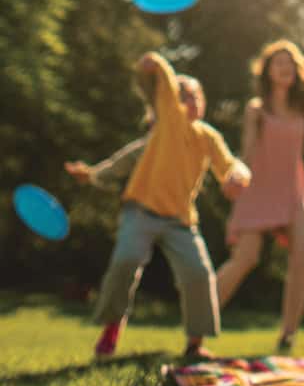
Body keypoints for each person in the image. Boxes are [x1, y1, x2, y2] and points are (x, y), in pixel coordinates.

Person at [65, 52, 251, 362]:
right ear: (168, 103)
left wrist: (237, 177)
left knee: (198, 273)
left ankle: (195, 343)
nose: (188, 100)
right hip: (140, 212)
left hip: (180, 220)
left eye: (194, 95)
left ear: (203, 103)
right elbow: (119, 164)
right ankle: (112, 327)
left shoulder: (207, 137)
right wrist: (92, 174)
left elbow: (230, 165)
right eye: (181, 96)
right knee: (126, 260)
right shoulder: (165, 128)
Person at [215, 40, 304, 354]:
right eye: (278, 63)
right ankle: (201, 313)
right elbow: (249, 150)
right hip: (259, 187)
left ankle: (288, 334)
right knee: (246, 258)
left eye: (290, 63)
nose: (285, 68)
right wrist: (236, 174)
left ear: (297, 71)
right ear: (267, 71)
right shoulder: (256, 109)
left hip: (292, 190)